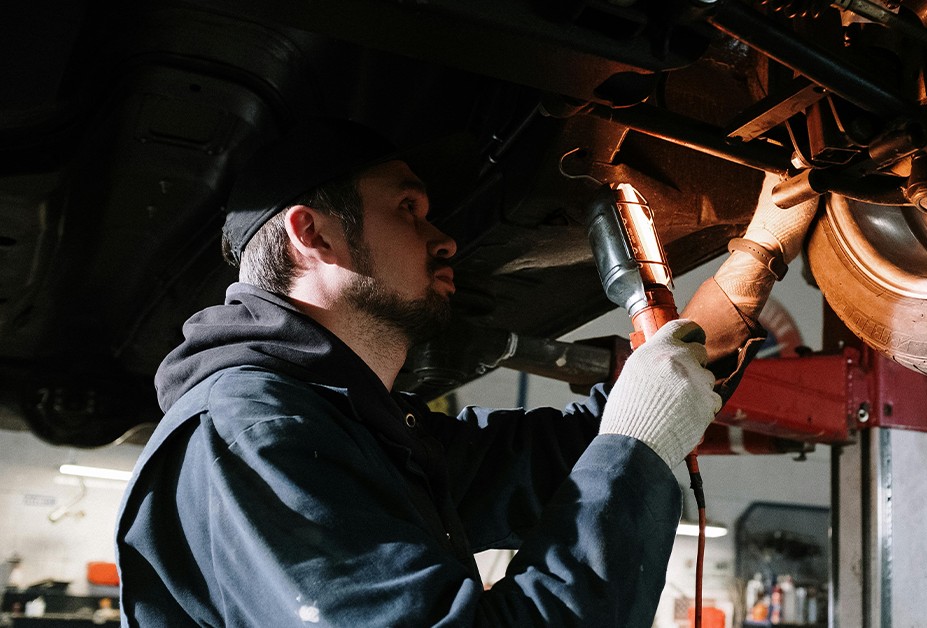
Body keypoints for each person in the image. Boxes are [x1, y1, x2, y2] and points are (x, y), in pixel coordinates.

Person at [115, 118, 812, 627]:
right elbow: (626, 445)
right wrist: (640, 445)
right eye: (408, 209)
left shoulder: (356, 430)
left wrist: (759, 254)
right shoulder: (251, 433)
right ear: (312, 233)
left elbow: (573, 456)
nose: (445, 238)